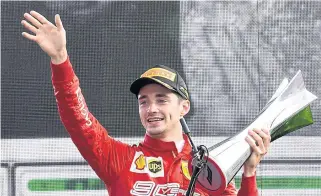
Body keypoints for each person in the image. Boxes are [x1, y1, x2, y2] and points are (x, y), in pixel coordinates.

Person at [21, 11, 271, 196]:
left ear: (184, 107)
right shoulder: (119, 161)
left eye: (161, 99)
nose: (151, 109)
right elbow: (78, 119)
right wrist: (60, 59)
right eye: (144, 101)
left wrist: (249, 174)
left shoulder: (208, 170)